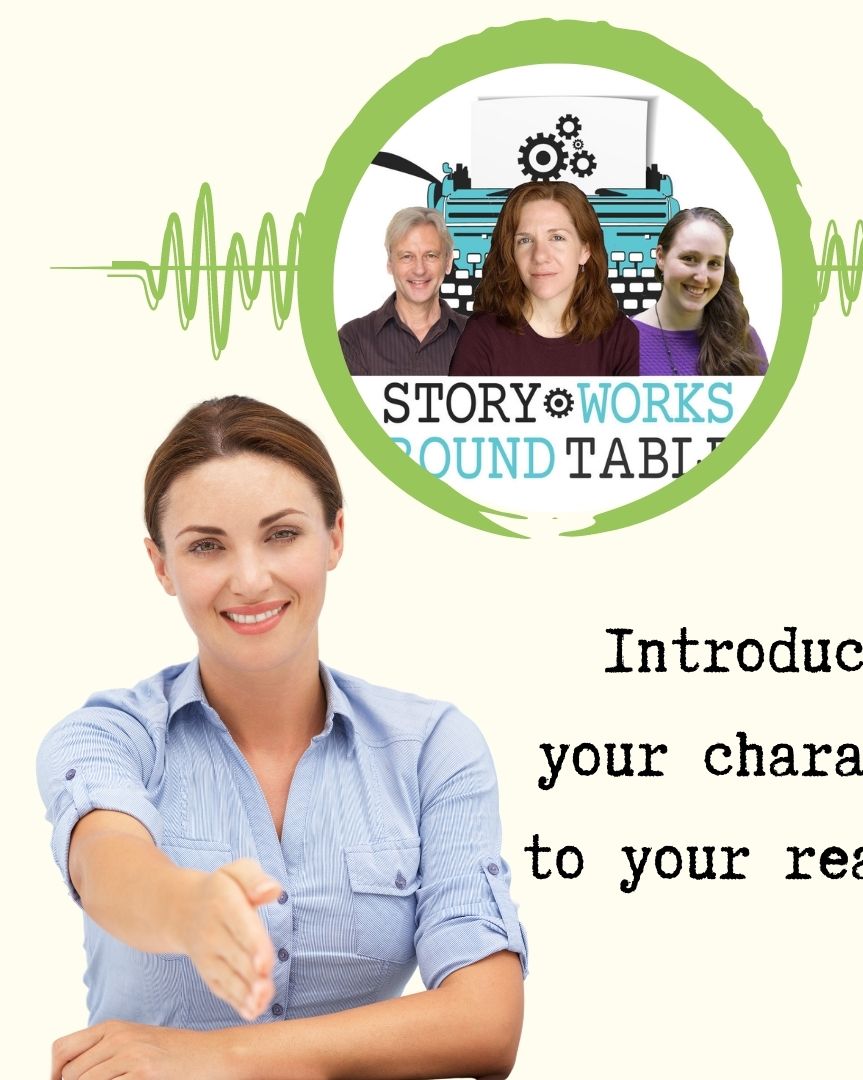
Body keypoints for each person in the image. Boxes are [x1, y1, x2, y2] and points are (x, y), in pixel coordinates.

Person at [39, 397, 526, 1080]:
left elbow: (485, 1021)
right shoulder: (109, 734)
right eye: (206, 545)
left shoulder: (433, 749)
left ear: (335, 538)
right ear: (160, 565)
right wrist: (189, 909)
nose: (249, 579)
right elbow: (104, 864)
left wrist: (211, 1057)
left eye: (282, 535)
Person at [449, 181, 638, 377]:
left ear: (585, 250)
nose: (539, 255)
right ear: (511, 253)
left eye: (557, 238)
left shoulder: (621, 337)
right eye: (525, 240)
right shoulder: (481, 335)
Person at [634, 207, 768, 376]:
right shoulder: (619, 342)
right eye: (689, 259)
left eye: (714, 263)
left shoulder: (744, 338)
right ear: (661, 257)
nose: (701, 277)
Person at [339, 207, 466, 375]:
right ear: (390, 263)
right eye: (407, 256)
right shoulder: (354, 339)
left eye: (430, 255)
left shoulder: (477, 338)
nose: (419, 270)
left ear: (448, 262)